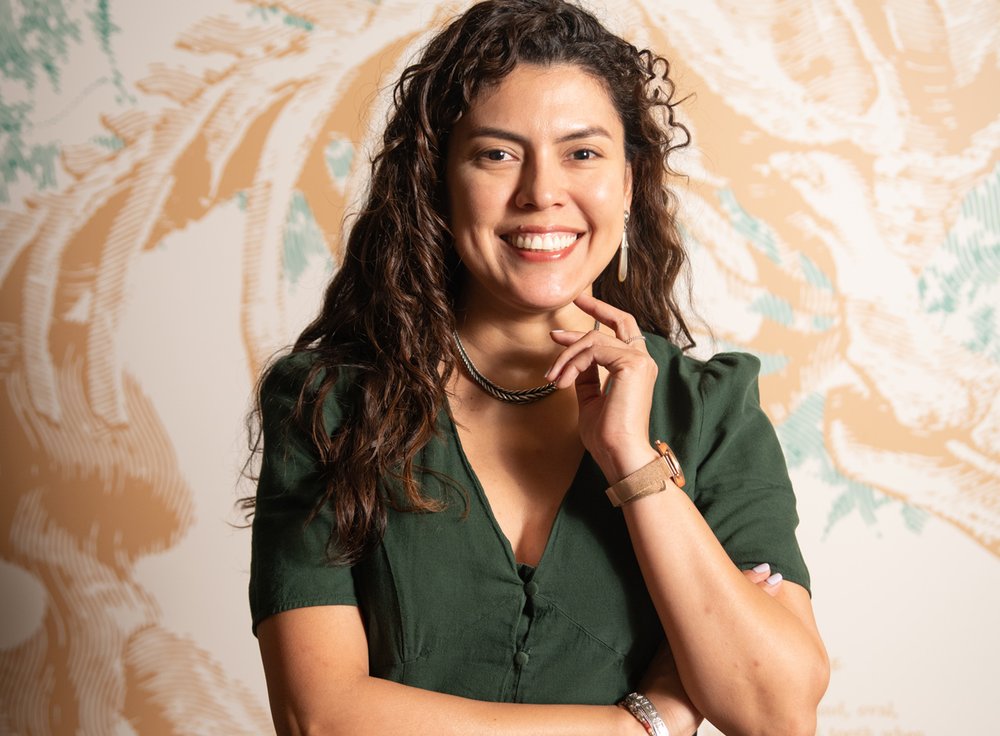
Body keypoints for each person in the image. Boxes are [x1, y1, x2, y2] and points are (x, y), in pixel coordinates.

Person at [246, 1, 830, 734]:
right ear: (439, 180)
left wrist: (634, 465)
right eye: (497, 154)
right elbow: (320, 718)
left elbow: (776, 714)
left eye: (582, 154)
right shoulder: (330, 404)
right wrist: (633, 727)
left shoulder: (708, 410)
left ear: (629, 182)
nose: (541, 193)